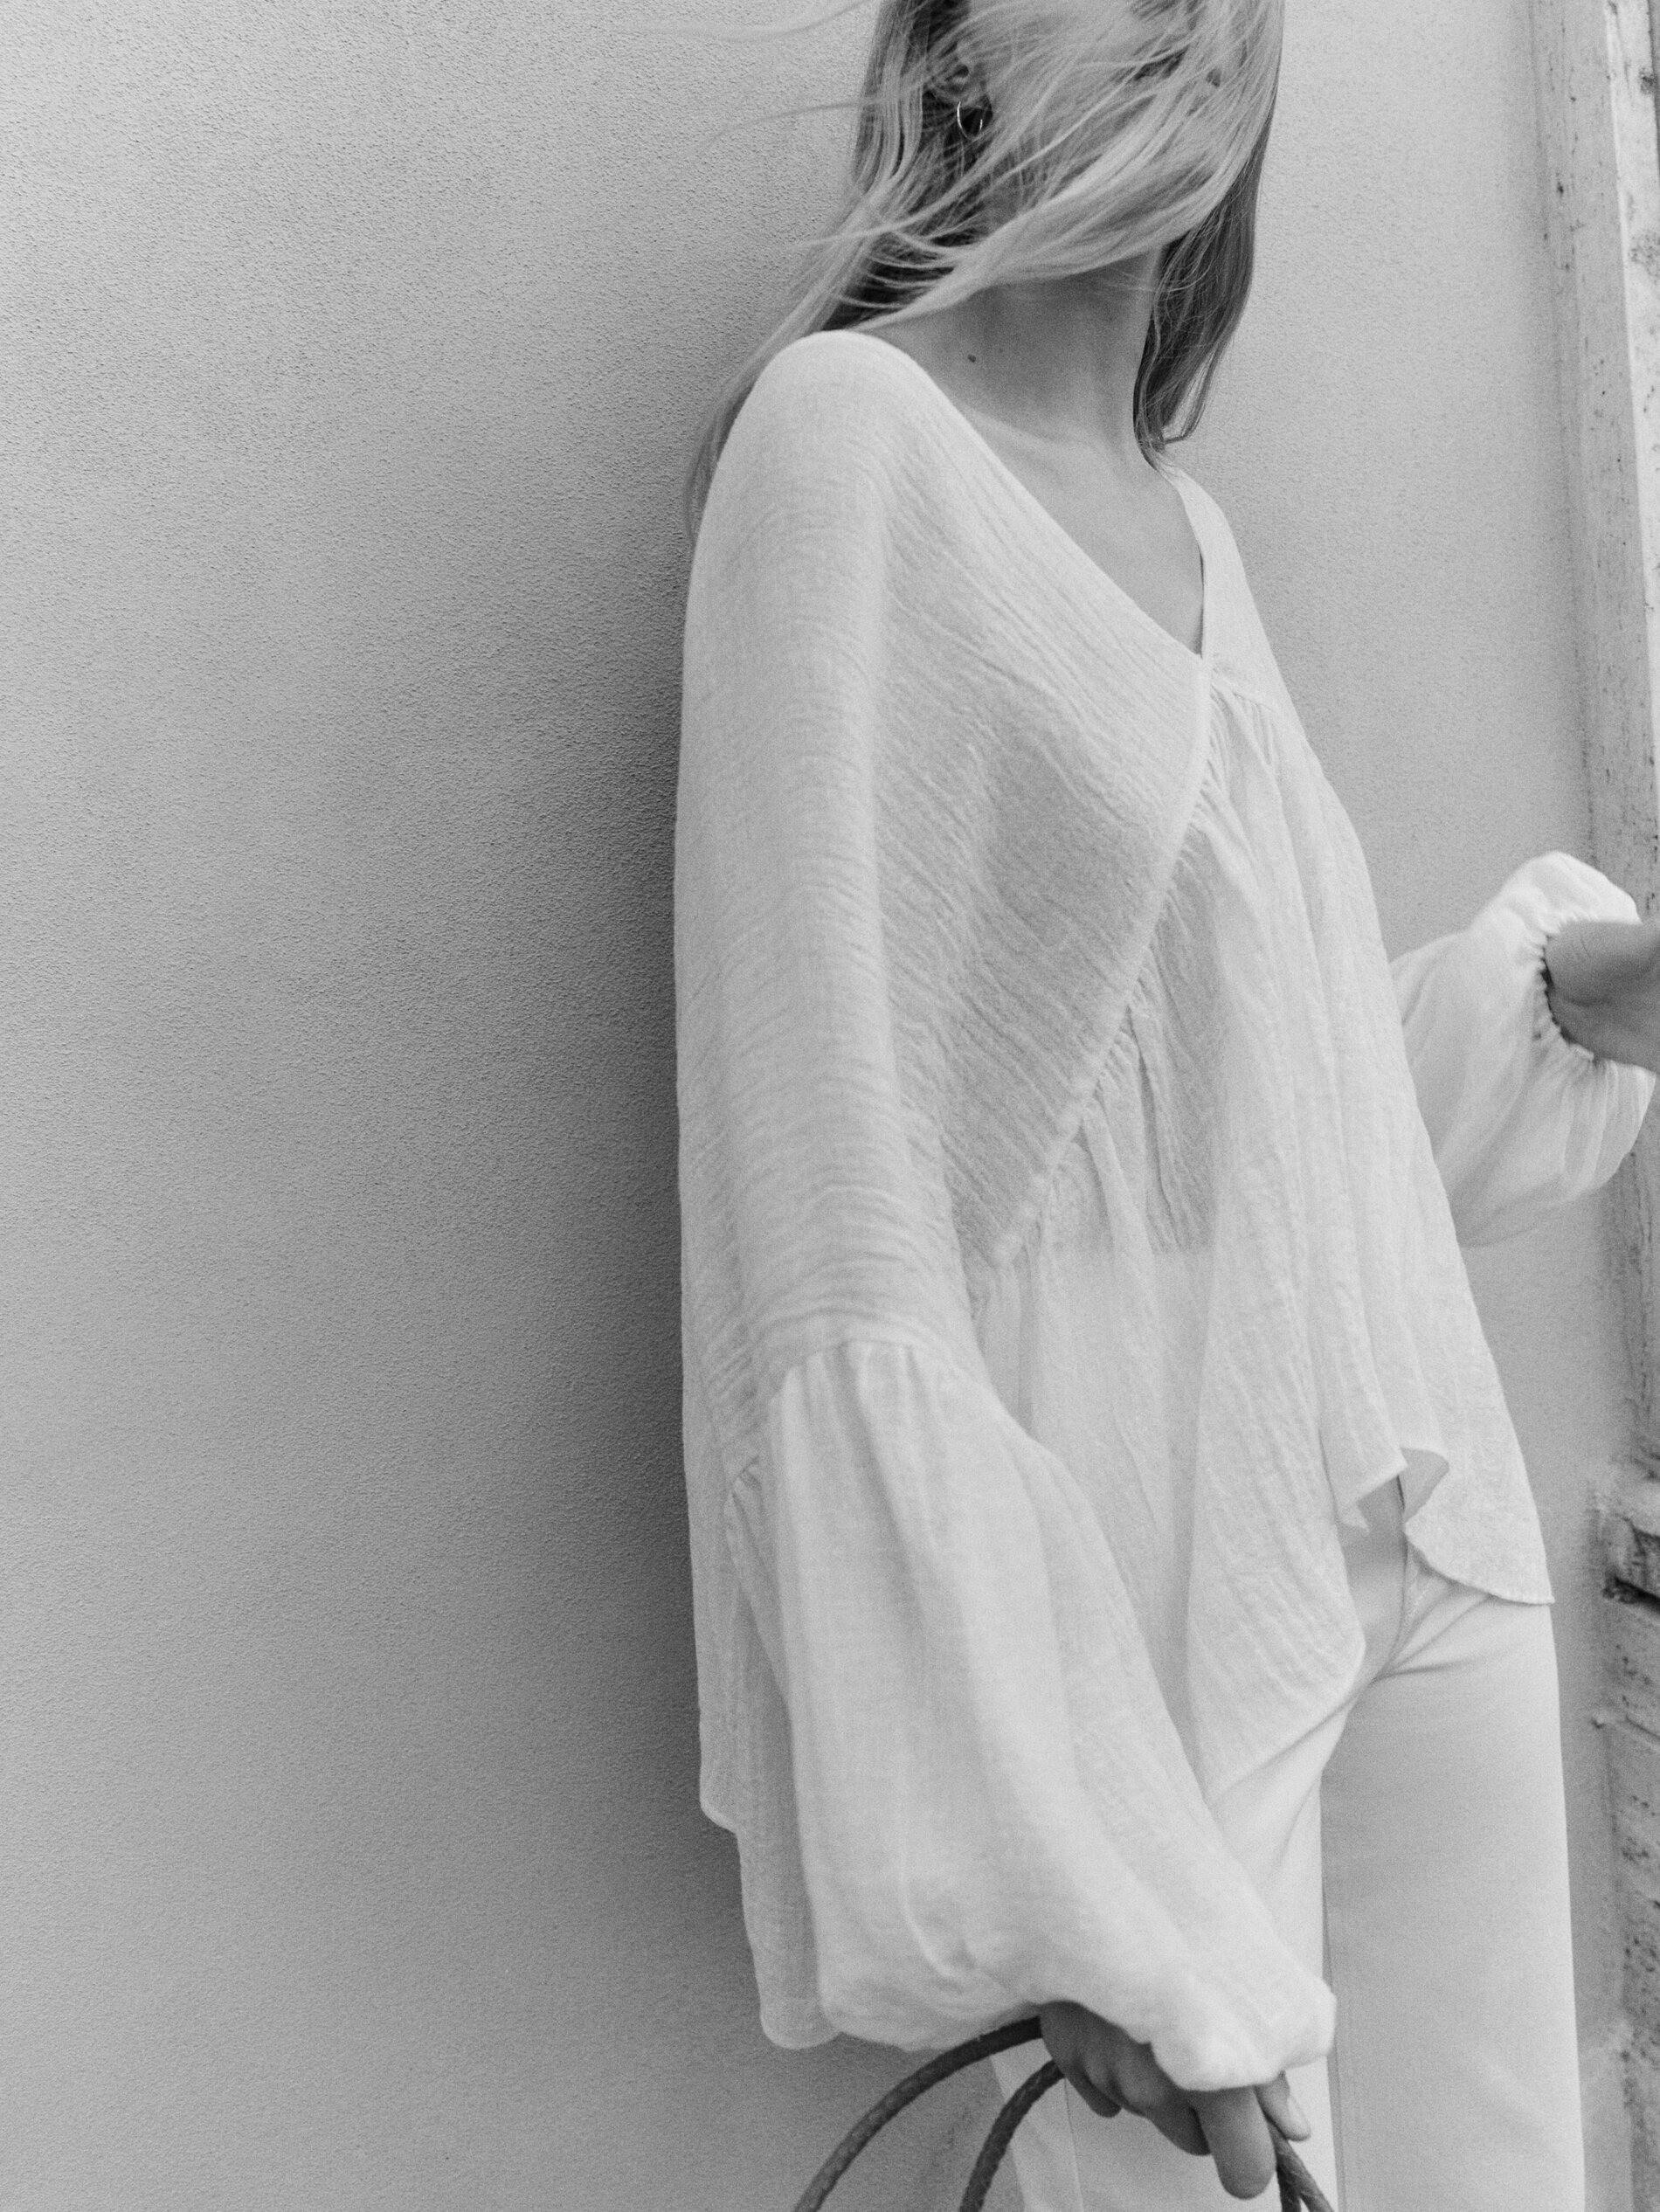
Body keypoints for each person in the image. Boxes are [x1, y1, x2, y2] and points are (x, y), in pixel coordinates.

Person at [674, 3, 1660, 2204]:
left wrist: (1574, 996)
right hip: (1146, 1621)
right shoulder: (844, 442)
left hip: (1424, 1535)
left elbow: (1266, 1135)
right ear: (950, 62)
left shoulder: (1182, 521)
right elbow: (822, 1206)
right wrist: (1050, 1857)